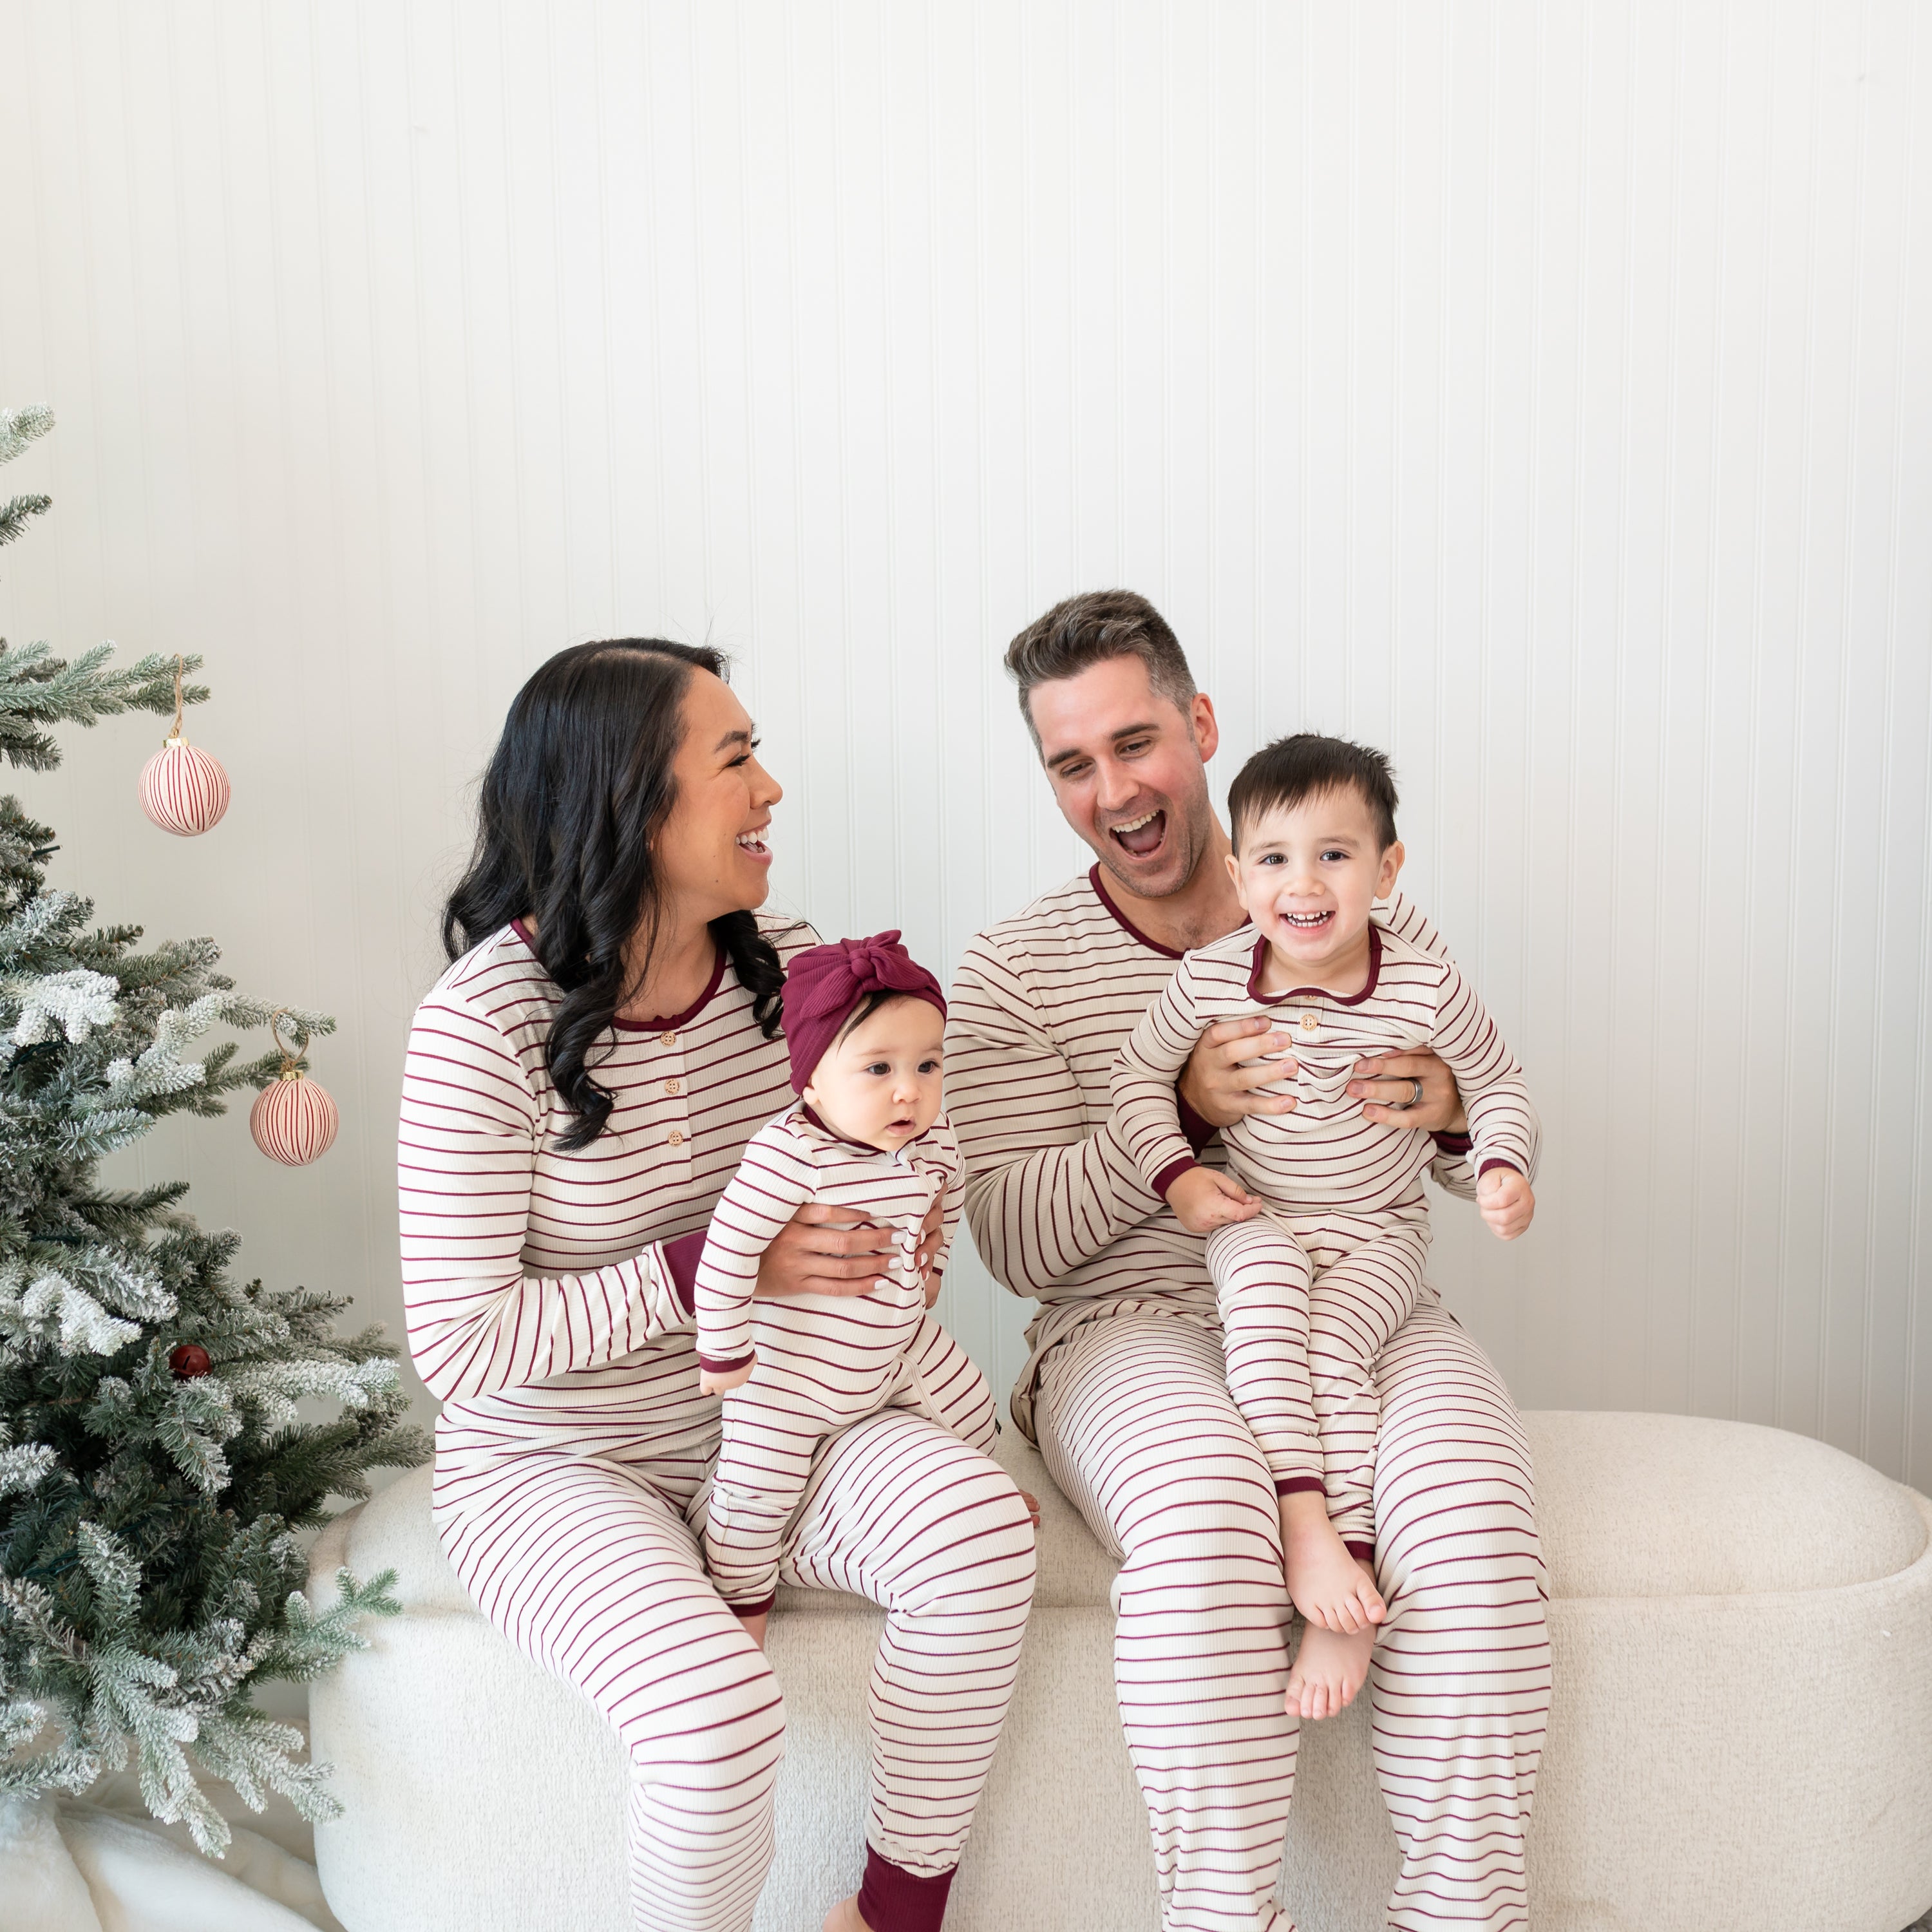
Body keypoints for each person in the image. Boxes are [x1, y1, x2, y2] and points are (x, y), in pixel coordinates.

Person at [400, 640, 1035, 1932]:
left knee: (982, 1533)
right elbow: (457, 1350)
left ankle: (894, 1918)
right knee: (716, 1717)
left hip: (775, 1429)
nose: (773, 790)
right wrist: (707, 1273)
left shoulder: (793, 974)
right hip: (554, 1466)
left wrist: (903, 1239)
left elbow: (895, 1155)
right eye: (737, 759)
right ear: (631, 800)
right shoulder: (482, 1023)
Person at [945, 591, 1549, 1932]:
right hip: (1128, 1324)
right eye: (1071, 764)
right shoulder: (1014, 969)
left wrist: (1458, 1114)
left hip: (1362, 1290)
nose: (1116, 789)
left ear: (1202, 727)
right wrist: (1181, 1120)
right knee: (1208, 1509)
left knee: (1470, 1515)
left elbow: (1456, 1145)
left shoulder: (1355, 913)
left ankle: (1465, 1915)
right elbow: (1011, 1242)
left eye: (1137, 742)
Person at [1110, 731, 1539, 1721]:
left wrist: (1502, 1161)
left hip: (1379, 1231)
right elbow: (1139, 1083)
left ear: (1387, 870)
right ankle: (1307, 1522)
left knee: (1334, 1346)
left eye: (1334, 855)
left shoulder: (1424, 982)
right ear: (1237, 873)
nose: (1303, 883)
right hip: (1261, 1215)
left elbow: (1499, 1082)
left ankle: (1344, 1576)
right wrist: (1177, 1175)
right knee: (1261, 1317)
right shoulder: (1212, 978)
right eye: (1273, 859)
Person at [697, 931, 994, 1630]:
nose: (908, 1090)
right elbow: (728, 1251)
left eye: (928, 1065)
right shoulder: (789, 1154)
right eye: (878, 1069)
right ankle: (744, 1602)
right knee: (754, 1491)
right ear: (812, 1081)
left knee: (974, 1405)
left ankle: (990, 1492)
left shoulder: (934, 1135)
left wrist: (934, 1270)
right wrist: (724, 1350)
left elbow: (947, 1198)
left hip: (893, 1349)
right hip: (789, 1379)